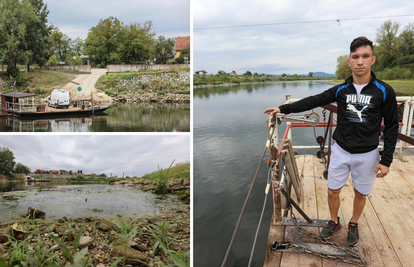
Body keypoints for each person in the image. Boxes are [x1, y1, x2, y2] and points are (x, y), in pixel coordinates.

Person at [264, 36, 398, 246]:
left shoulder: (384, 91)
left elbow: (391, 126)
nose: (360, 61)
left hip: (368, 154)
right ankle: (334, 221)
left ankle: (353, 222)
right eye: (355, 57)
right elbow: (314, 100)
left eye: (365, 56)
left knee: (360, 193)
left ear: (373, 59)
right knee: (332, 191)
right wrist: (283, 108)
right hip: (341, 150)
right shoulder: (340, 90)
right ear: (350, 62)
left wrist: (386, 160)